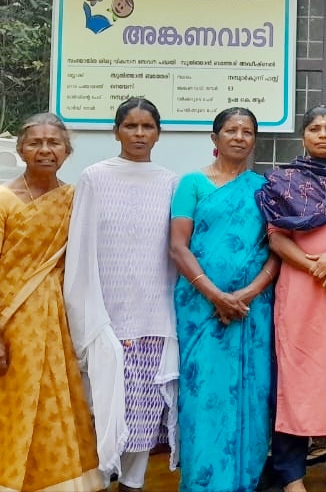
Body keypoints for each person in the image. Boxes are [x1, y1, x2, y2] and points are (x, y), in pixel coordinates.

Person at [64, 97, 179, 490]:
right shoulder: (94, 177)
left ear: (158, 134)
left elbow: (175, 250)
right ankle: (97, 482)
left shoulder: (170, 182)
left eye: (148, 127)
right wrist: (85, 313)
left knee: (143, 414)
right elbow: (81, 247)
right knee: (100, 411)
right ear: (116, 132)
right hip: (104, 317)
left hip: (153, 316)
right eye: (131, 126)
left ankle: (134, 482)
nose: (139, 134)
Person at [256, 106, 326, 492]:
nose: (323, 135)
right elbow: (276, 240)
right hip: (303, 293)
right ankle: (292, 476)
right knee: (298, 381)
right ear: (303, 135)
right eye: (315, 128)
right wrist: (322, 271)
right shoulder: (282, 181)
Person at [170, 107, 279, 492]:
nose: (239, 137)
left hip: (252, 309)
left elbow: (276, 251)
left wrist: (246, 293)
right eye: (231, 130)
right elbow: (178, 247)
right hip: (200, 307)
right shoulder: (192, 183)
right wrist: (215, 295)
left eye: (247, 132)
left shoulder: (264, 189)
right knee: (202, 393)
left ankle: (244, 481)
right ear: (214, 138)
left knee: (251, 392)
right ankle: (203, 482)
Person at [0, 113, 103, 492]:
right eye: (35, 143)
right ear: (21, 149)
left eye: (53, 142)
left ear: (67, 151)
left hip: (58, 321)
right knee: (14, 403)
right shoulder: (4, 200)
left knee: (54, 402)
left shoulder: (75, 200)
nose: (45, 150)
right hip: (11, 322)